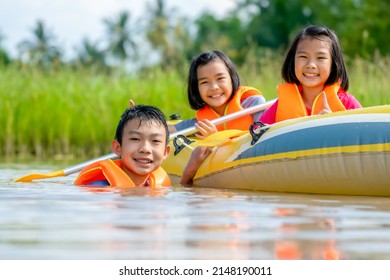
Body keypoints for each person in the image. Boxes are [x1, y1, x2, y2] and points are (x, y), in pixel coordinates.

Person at [259, 25, 362, 125]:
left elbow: (367, 134)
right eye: (303, 56)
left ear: (333, 65)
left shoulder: (347, 103)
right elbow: (255, 136)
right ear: (292, 61)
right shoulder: (280, 107)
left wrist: (335, 125)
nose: (311, 65)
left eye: (320, 58)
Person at [171, 50, 266, 139]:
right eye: (204, 82)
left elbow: (262, 142)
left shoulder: (255, 104)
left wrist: (216, 138)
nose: (214, 87)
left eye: (220, 78)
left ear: (231, 79)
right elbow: (166, 130)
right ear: (197, 88)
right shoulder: (201, 124)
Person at [74, 105, 171, 187]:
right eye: (135, 139)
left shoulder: (161, 187)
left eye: (155, 141)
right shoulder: (100, 190)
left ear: (165, 152)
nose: (145, 149)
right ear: (118, 147)